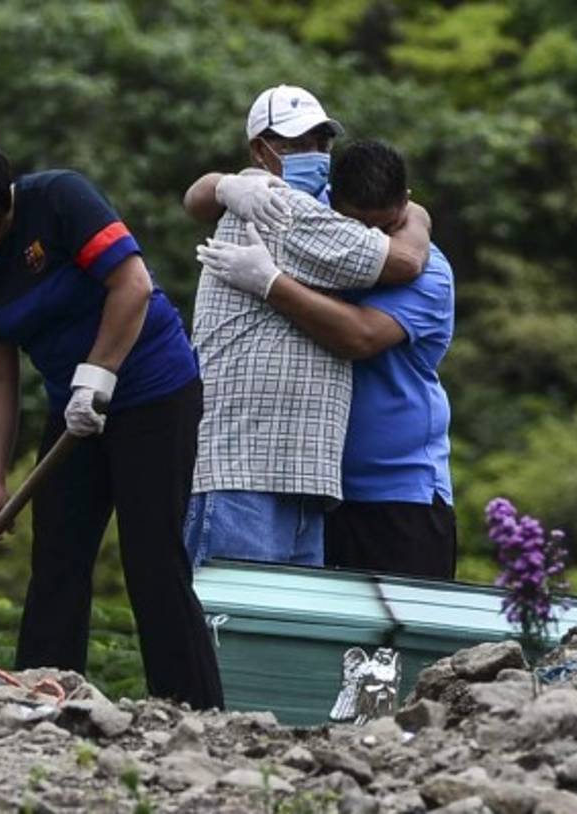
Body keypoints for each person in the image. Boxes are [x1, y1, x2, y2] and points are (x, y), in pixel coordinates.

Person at [0, 138, 222, 709]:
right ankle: (40, 699)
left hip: (154, 393)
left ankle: (188, 707)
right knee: (57, 556)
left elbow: (134, 284)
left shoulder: (62, 198)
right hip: (72, 409)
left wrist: (98, 376)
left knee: (151, 555)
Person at [182, 85, 433, 569]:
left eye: (321, 143)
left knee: (280, 642)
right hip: (245, 469)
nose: (314, 156)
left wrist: (217, 184)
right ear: (261, 150)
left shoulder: (320, 209)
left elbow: (199, 195)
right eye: (296, 145)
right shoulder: (275, 207)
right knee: (230, 637)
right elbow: (402, 260)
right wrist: (417, 212)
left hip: (299, 474)